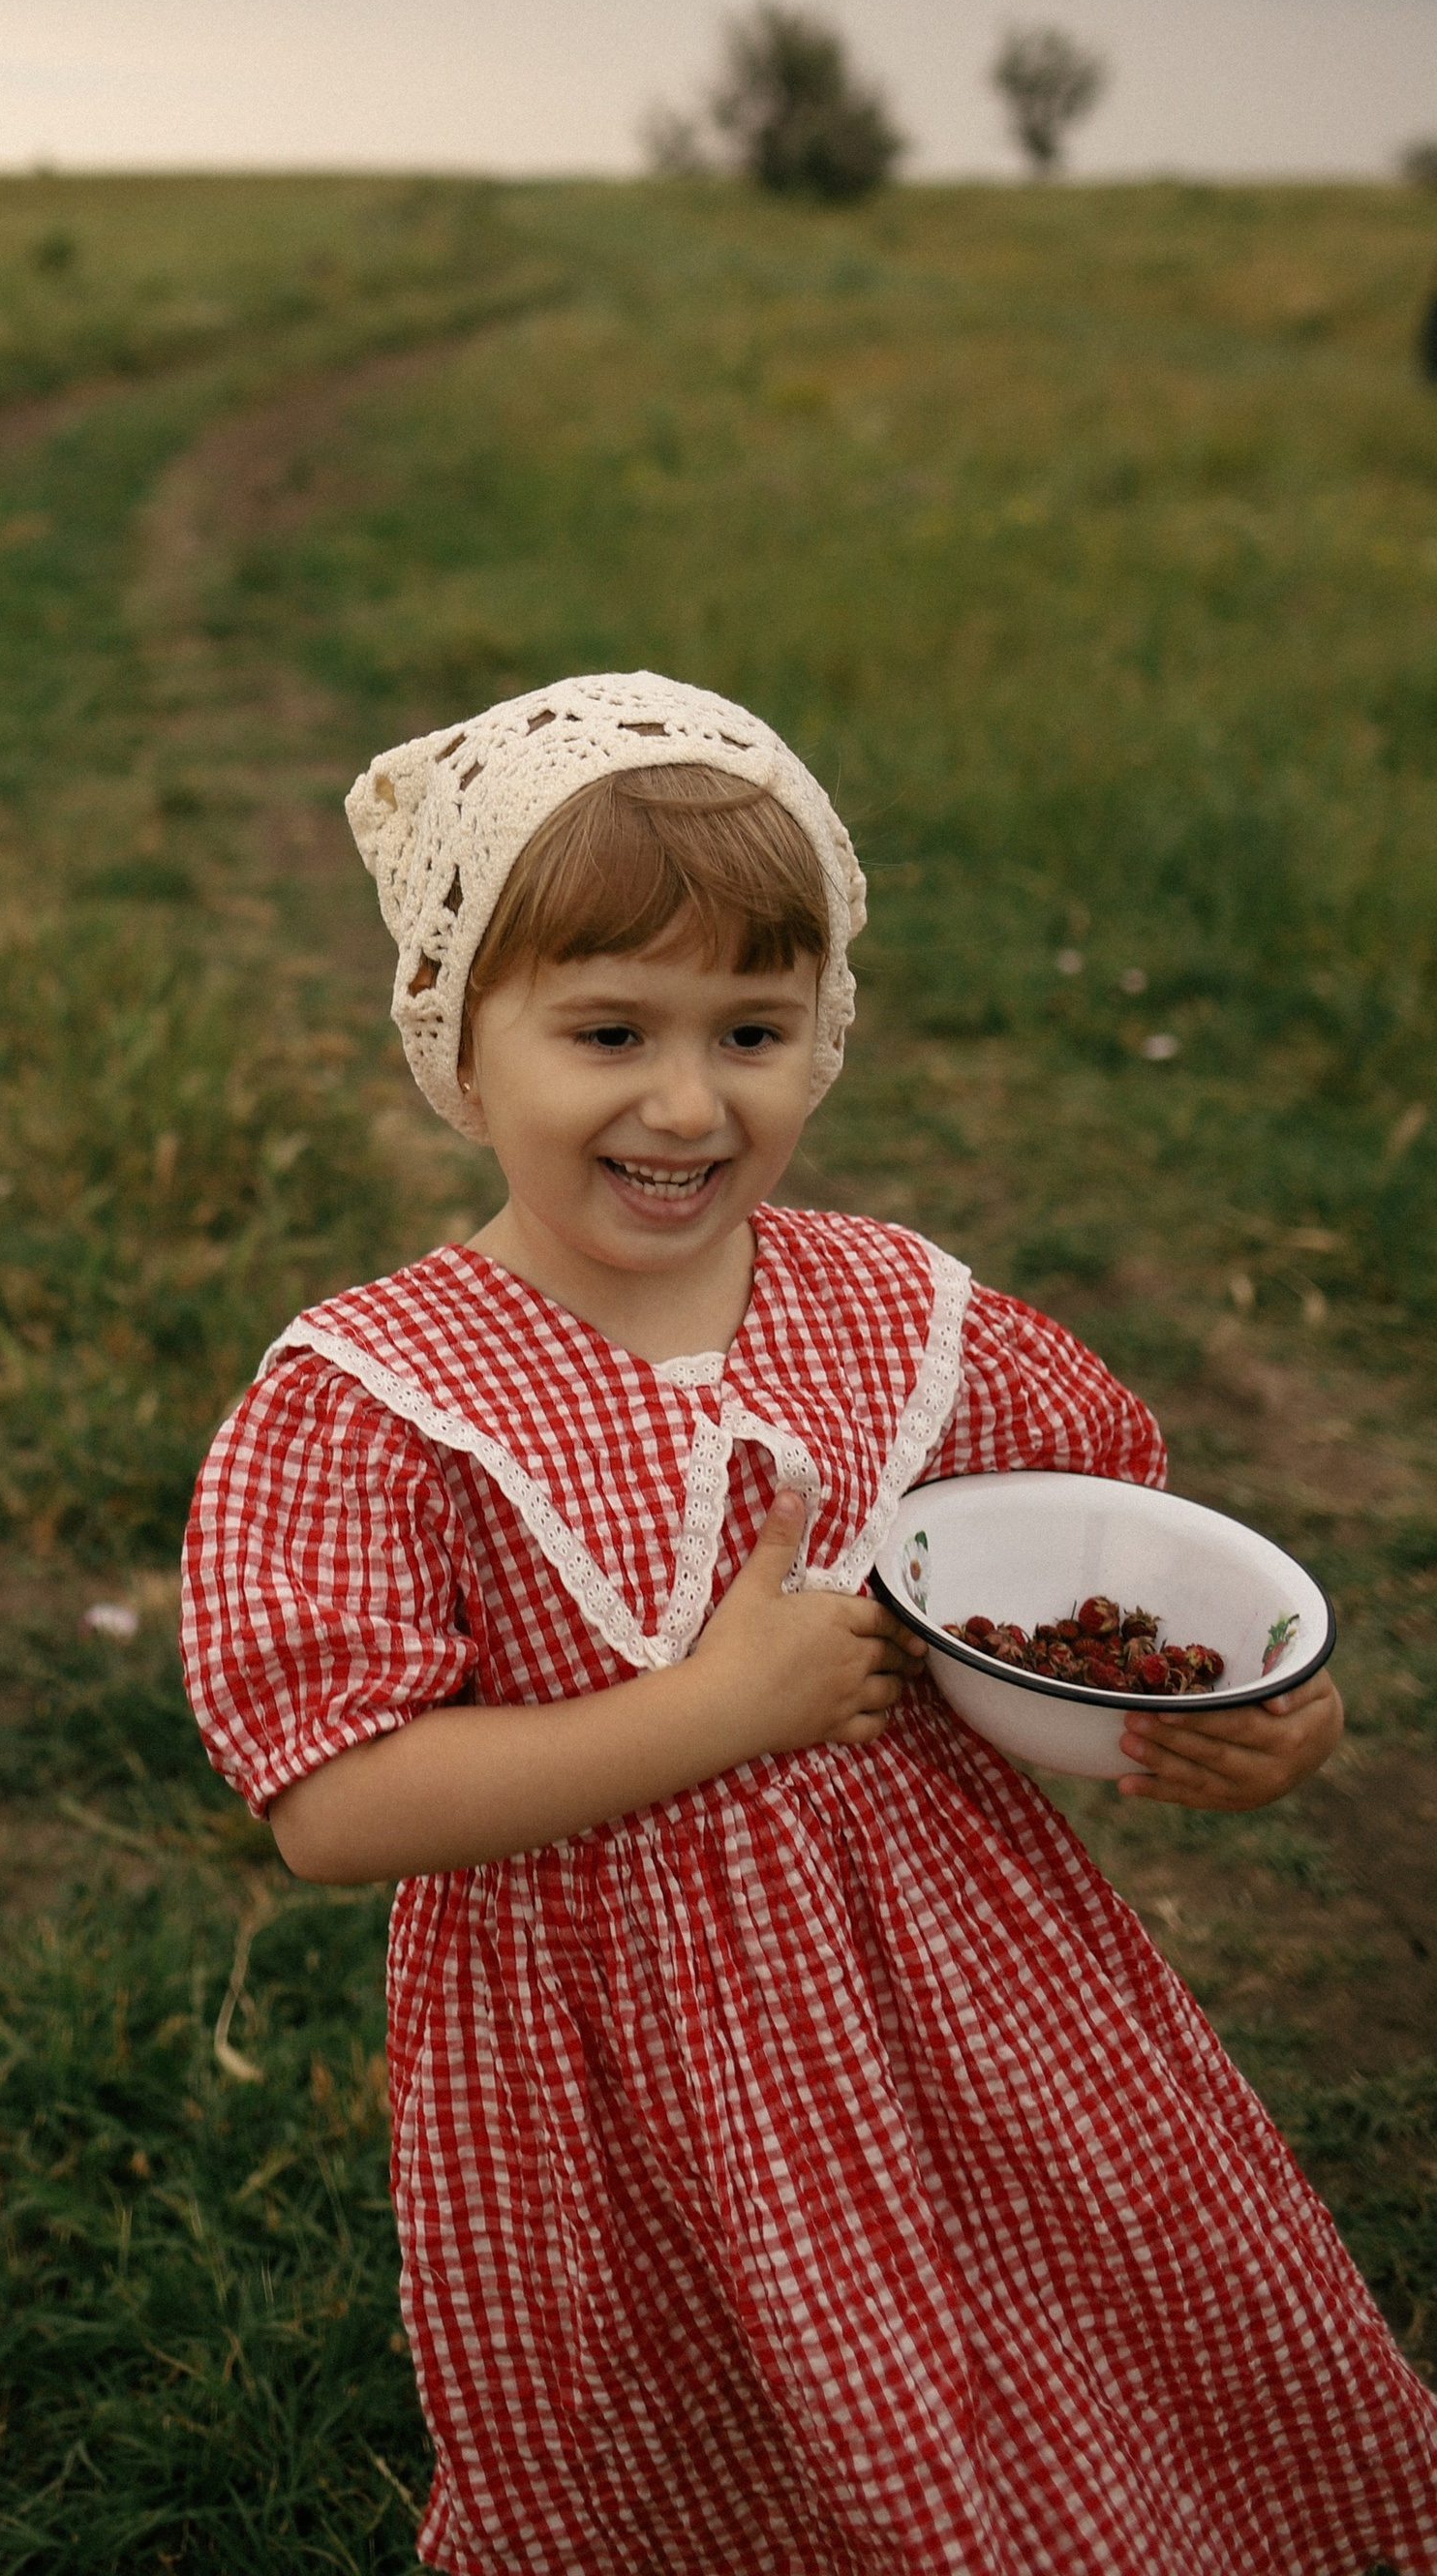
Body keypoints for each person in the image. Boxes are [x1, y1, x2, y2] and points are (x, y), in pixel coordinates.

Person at [181, 672, 1437, 2576]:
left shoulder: (890, 1315)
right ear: (460, 1046)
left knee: (1066, 2340)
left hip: (972, 2006)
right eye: (609, 1030)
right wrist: (720, 1707)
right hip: (620, 2072)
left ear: (821, 1032)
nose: (689, 1102)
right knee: (731, 2424)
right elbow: (332, 1805)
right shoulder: (379, 1399)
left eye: (752, 1030)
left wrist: (1265, 1720)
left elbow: (1108, 1577)